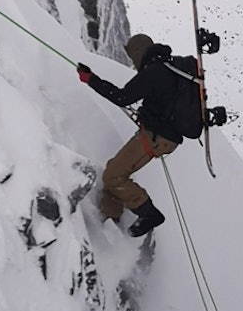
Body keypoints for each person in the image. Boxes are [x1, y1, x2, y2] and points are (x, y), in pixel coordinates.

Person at [77, 33, 189, 237]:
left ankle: (149, 214)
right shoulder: (170, 70)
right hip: (162, 137)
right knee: (116, 169)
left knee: (113, 175)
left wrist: (91, 80)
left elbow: (122, 97)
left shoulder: (154, 72)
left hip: (156, 138)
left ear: (139, 53)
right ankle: (110, 216)